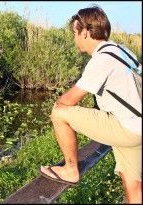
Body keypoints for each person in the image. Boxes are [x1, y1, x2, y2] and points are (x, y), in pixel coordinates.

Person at [39, 5, 142, 203]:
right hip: (136, 125)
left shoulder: (101, 60)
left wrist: (58, 120)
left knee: (59, 112)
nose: (74, 39)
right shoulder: (122, 50)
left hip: (125, 127)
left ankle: (70, 170)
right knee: (133, 185)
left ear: (85, 32)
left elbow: (66, 102)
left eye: (75, 33)